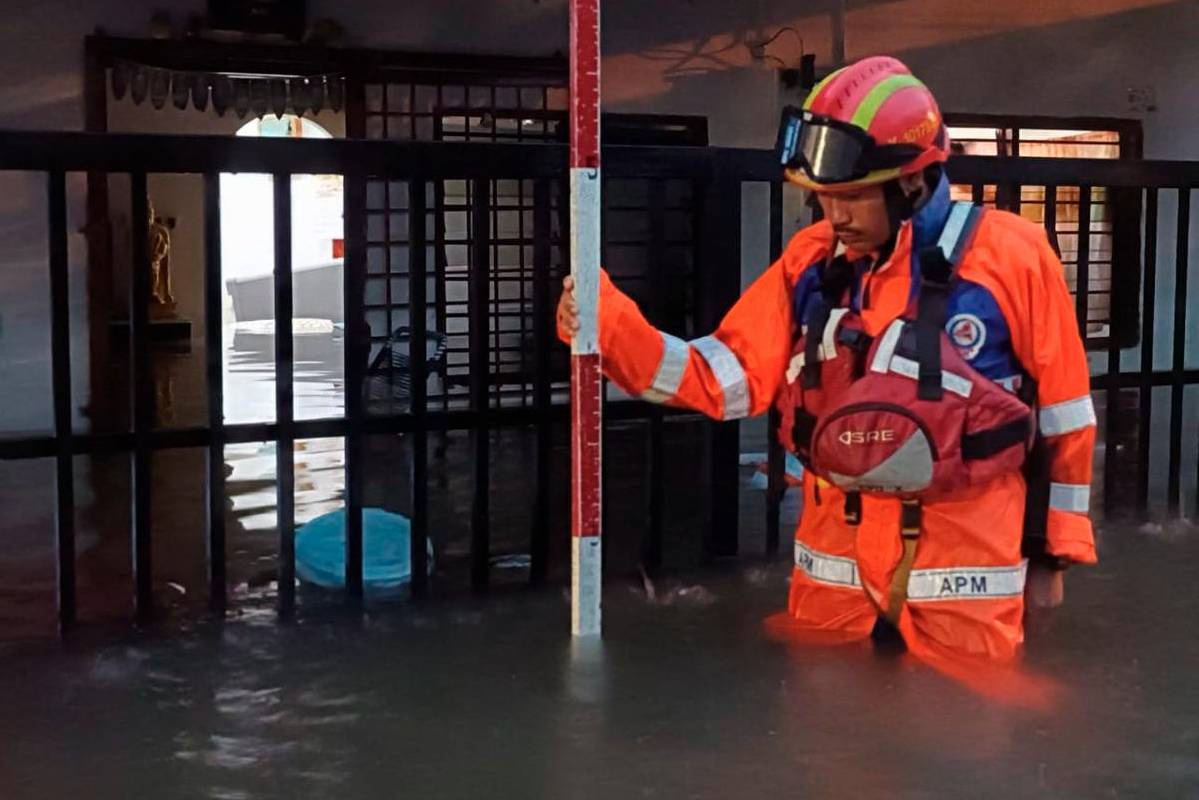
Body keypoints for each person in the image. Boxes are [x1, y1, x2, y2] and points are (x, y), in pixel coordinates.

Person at [557, 56, 1096, 661]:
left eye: (852, 198)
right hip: (832, 587)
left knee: (967, 737)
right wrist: (614, 330)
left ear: (912, 182)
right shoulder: (811, 262)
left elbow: (1065, 420)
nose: (834, 216)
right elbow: (726, 377)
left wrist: (1054, 556)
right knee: (826, 740)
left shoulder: (1012, 257)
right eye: (823, 198)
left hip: (965, 582)